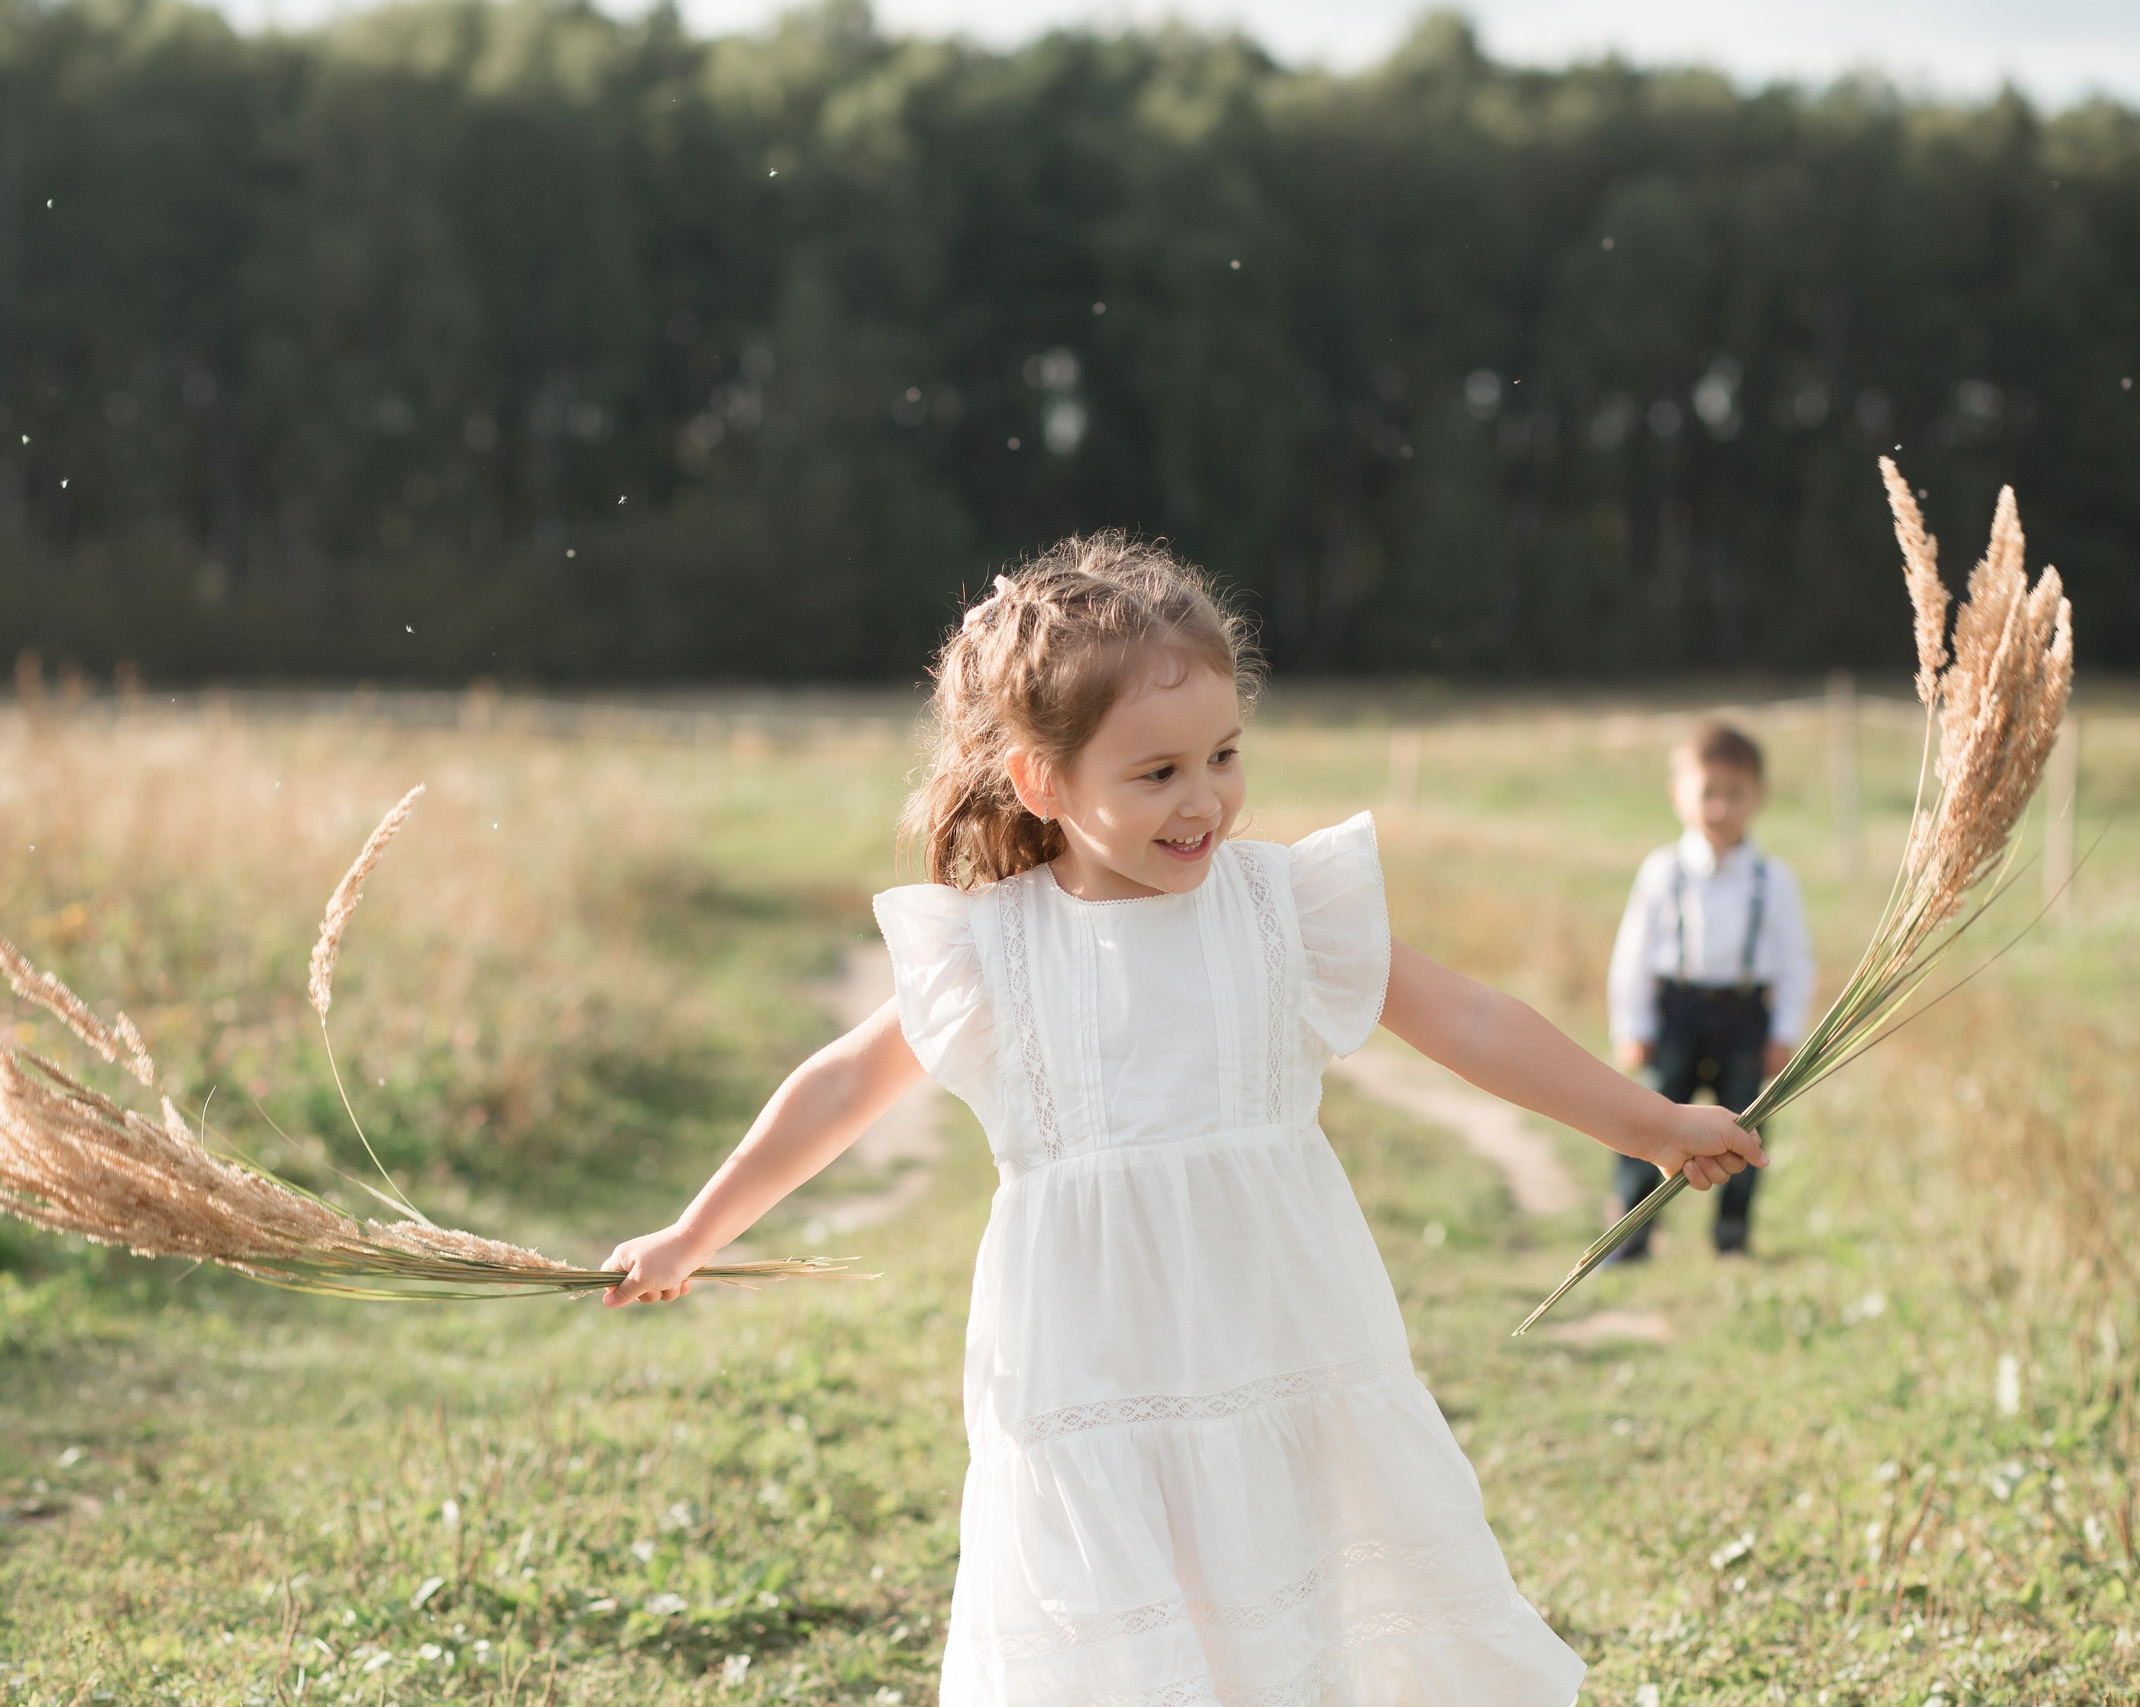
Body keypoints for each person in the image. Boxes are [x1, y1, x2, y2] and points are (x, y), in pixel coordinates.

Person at [600, 535, 1762, 1706]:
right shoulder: (994, 947)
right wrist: (693, 1235)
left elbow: (1466, 1019)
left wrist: (1647, 1123)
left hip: (1278, 1344)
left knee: (1298, 1609)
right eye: (1156, 773)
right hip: (1086, 1377)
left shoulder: (1279, 906)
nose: (1203, 798)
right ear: (1043, 784)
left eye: (1222, 755)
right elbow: (841, 1087)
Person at [1605, 722, 1814, 1259]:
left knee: (1744, 1129)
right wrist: (1632, 1026)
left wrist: (1784, 1033)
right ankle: (1631, 1233)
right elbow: (1632, 955)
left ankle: (1732, 1236)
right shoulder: (1662, 872)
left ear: (1758, 796)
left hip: (1745, 1016)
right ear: (1678, 795)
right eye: (1707, 794)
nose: (1720, 808)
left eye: (1734, 794)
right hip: (1677, 1012)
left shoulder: (1773, 879)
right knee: (1647, 1121)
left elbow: (1795, 962)